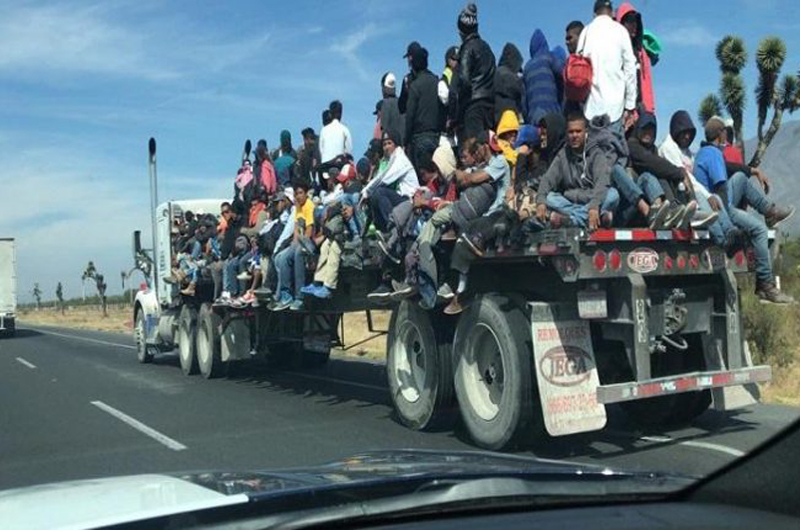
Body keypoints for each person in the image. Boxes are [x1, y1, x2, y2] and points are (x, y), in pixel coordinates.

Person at [693, 117, 795, 304]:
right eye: (724, 131)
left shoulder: (702, 153)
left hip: (715, 202)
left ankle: (769, 212)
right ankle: (765, 285)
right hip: (720, 207)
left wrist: (752, 171)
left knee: (740, 177)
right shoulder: (714, 154)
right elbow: (721, 190)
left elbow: (730, 170)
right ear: (720, 134)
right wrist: (731, 222)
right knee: (759, 230)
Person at [536, 112, 621, 230]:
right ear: (567, 134)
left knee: (613, 195)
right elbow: (548, 179)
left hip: (592, 201)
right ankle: (594, 219)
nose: (574, 135)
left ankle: (571, 220)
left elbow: (602, 182)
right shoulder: (563, 155)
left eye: (578, 131)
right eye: (571, 132)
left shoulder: (596, 154)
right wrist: (540, 201)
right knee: (549, 198)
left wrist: (594, 206)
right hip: (570, 202)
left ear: (586, 132)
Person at [625, 112, 703, 229]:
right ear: (638, 130)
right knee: (651, 174)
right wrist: (680, 173)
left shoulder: (653, 149)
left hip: (652, 203)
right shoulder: (632, 145)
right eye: (644, 129)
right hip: (634, 204)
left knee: (665, 174)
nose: (648, 133)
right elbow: (652, 163)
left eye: (651, 130)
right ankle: (672, 209)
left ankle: (683, 211)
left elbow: (661, 168)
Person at [577, 0, 638, 134]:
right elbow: (630, 69)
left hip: (589, 107)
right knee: (613, 150)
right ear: (611, 13)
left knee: (592, 150)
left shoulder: (586, 32)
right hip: (615, 107)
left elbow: (577, 68)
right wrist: (630, 105)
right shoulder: (621, 31)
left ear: (594, 14)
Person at [362, 131, 420, 233]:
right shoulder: (390, 160)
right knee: (374, 197)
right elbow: (380, 177)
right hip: (401, 198)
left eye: (389, 143)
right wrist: (366, 192)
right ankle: (380, 231)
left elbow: (385, 178)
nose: (386, 147)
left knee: (379, 192)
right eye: (384, 144)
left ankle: (394, 228)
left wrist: (366, 192)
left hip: (410, 200)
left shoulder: (400, 159)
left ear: (396, 144)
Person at [453, 3, 496, 143]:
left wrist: (458, 109)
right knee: (487, 147)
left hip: (473, 106)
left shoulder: (467, 48)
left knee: (474, 148)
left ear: (461, 31)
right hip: (490, 105)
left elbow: (464, 80)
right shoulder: (487, 48)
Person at [273, 182, 315, 311]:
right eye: (296, 193)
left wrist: (300, 245)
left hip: (309, 242)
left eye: (300, 193)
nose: (298, 196)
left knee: (298, 254)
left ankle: (299, 297)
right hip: (299, 241)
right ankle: (286, 295)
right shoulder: (298, 207)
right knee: (283, 258)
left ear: (306, 194)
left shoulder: (309, 206)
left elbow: (309, 230)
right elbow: (296, 228)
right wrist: (294, 243)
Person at [405, 46, 442, 172]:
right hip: (437, 137)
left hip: (419, 138)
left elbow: (410, 115)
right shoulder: (436, 81)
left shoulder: (415, 86)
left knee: (422, 179)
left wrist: (406, 141)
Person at [616, 2, 656, 114]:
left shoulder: (641, 52)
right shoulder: (616, 50)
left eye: (636, 21)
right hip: (621, 110)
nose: (634, 25)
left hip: (641, 110)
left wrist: (649, 110)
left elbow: (647, 82)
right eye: (629, 21)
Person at [523, 29, 562, 126]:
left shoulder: (527, 67)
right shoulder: (549, 57)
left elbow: (523, 100)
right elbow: (562, 73)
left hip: (533, 116)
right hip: (552, 112)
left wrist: (527, 118)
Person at [494, 42, 524, 124]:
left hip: (495, 118)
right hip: (507, 121)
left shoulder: (496, 72)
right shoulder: (508, 76)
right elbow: (520, 90)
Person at [319, 100, 353, 169]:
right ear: (341, 114)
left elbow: (321, 149)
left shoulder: (324, 130)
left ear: (330, 114)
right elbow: (349, 150)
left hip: (325, 166)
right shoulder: (345, 129)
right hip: (339, 167)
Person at [379, 72, 405, 146]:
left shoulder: (386, 104)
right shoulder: (402, 103)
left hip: (392, 147)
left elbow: (385, 128)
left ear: (383, 87)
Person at [399, 41, 422, 114]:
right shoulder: (433, 78)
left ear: (410, 58)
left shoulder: (407, 80)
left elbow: (401, 107)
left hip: (414, 122)